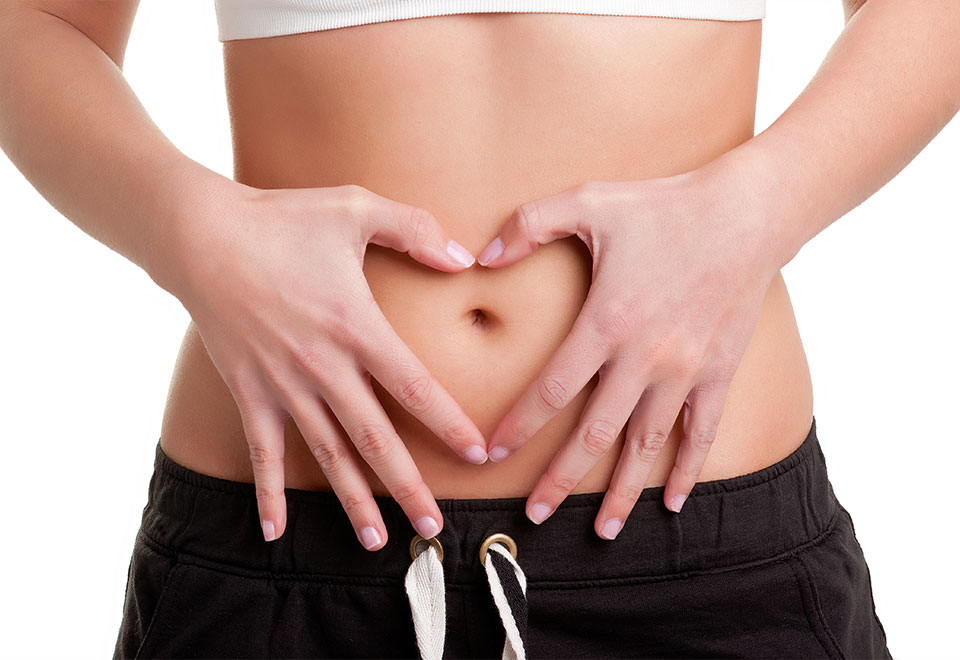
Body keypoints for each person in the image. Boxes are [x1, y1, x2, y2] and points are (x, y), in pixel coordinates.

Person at [1, 0, 955, 657]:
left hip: (696, 551)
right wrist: (192, 231)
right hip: (285, 551)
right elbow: (35, 23)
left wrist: (758, 207)